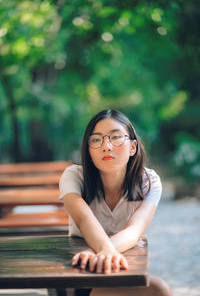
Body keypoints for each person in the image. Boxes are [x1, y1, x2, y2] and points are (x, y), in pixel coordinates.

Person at [59, 109, 171, 296]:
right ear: (89, 150)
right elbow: (84, 219)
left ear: (133, 147)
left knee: (160, 290)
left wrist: (100, 253)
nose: (106, 146)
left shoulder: (149, 181)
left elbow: (134, 231)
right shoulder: (73, 176)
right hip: (82, 270)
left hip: (119, 266)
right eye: (96, 140)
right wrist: (102, 252)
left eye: (115, 137)